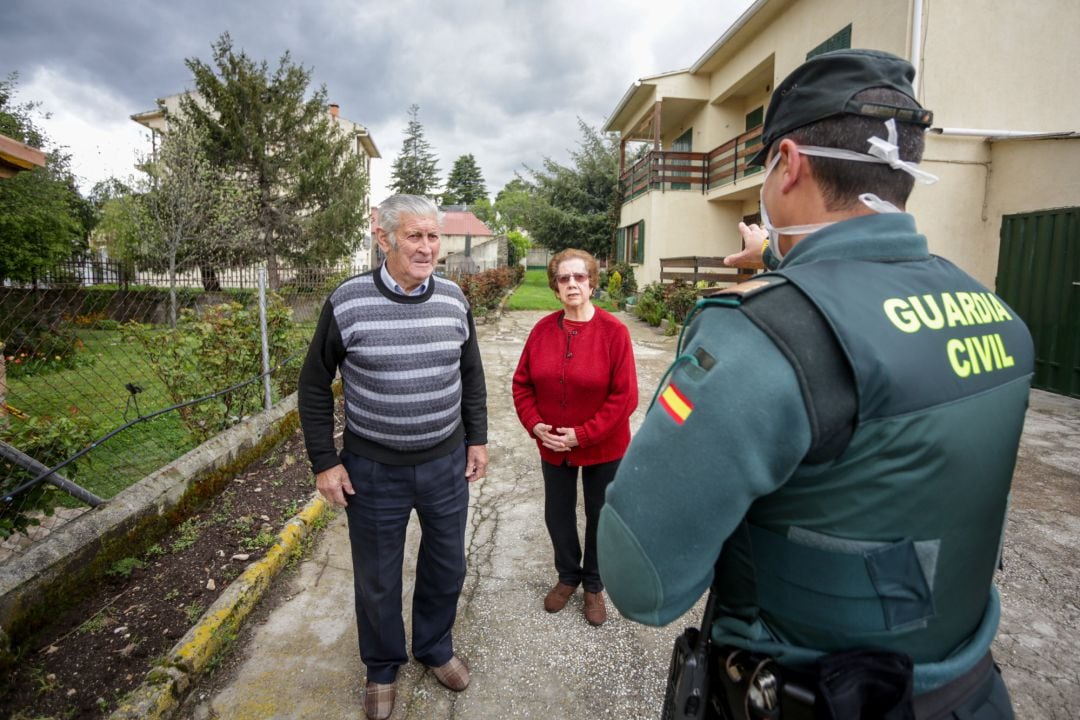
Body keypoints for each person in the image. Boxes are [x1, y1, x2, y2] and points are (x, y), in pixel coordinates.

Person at [598, 49, 1033, 719]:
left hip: (813, 697)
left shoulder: (762, 336)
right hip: (969, 693)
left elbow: (641, 581)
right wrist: (778, 258)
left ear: (789, 163)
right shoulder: (999, 319)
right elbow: (868, 305)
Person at [298, 194, 488, 720]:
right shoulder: (348, 301)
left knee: (448, 563)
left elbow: (470, 376)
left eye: (433, 236)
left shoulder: (453, 299)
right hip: (373, 469)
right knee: (378, 575)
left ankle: (434, 647)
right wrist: (324, 461)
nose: (428, 248)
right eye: (415, 236)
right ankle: (382, 667)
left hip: (444, 461)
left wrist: (478, 438)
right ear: (384, 239)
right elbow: (314, 385)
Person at [512, 249, 638, 627]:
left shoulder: (615, 333)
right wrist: (535, 425)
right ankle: (568, 575)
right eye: (564, 279)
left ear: (591, 283)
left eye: (579, 277)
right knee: (558, 513)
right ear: (555, 287)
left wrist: (581, 435)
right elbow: (522, 385)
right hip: (552, 445)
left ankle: (594, 585)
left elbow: (625, 397)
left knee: (601, 515)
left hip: (604, 446)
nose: (572, 284)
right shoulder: (542, 331)